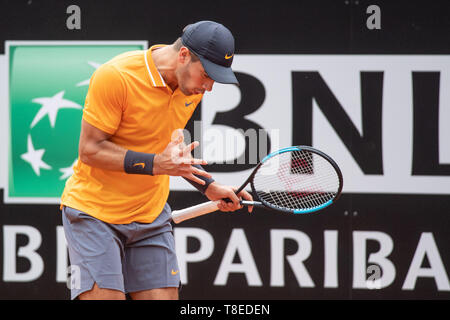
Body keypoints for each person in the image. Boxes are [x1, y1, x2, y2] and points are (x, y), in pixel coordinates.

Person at [60, 20, 253, 300]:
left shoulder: (190, 89)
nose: (208, 87)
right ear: (184, 55)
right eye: (206, 75)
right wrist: (155, 164)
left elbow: (168, 148)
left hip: (150, 216)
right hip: (94, 214)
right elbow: (90, 150)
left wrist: (208, 186)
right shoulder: (116, 76)